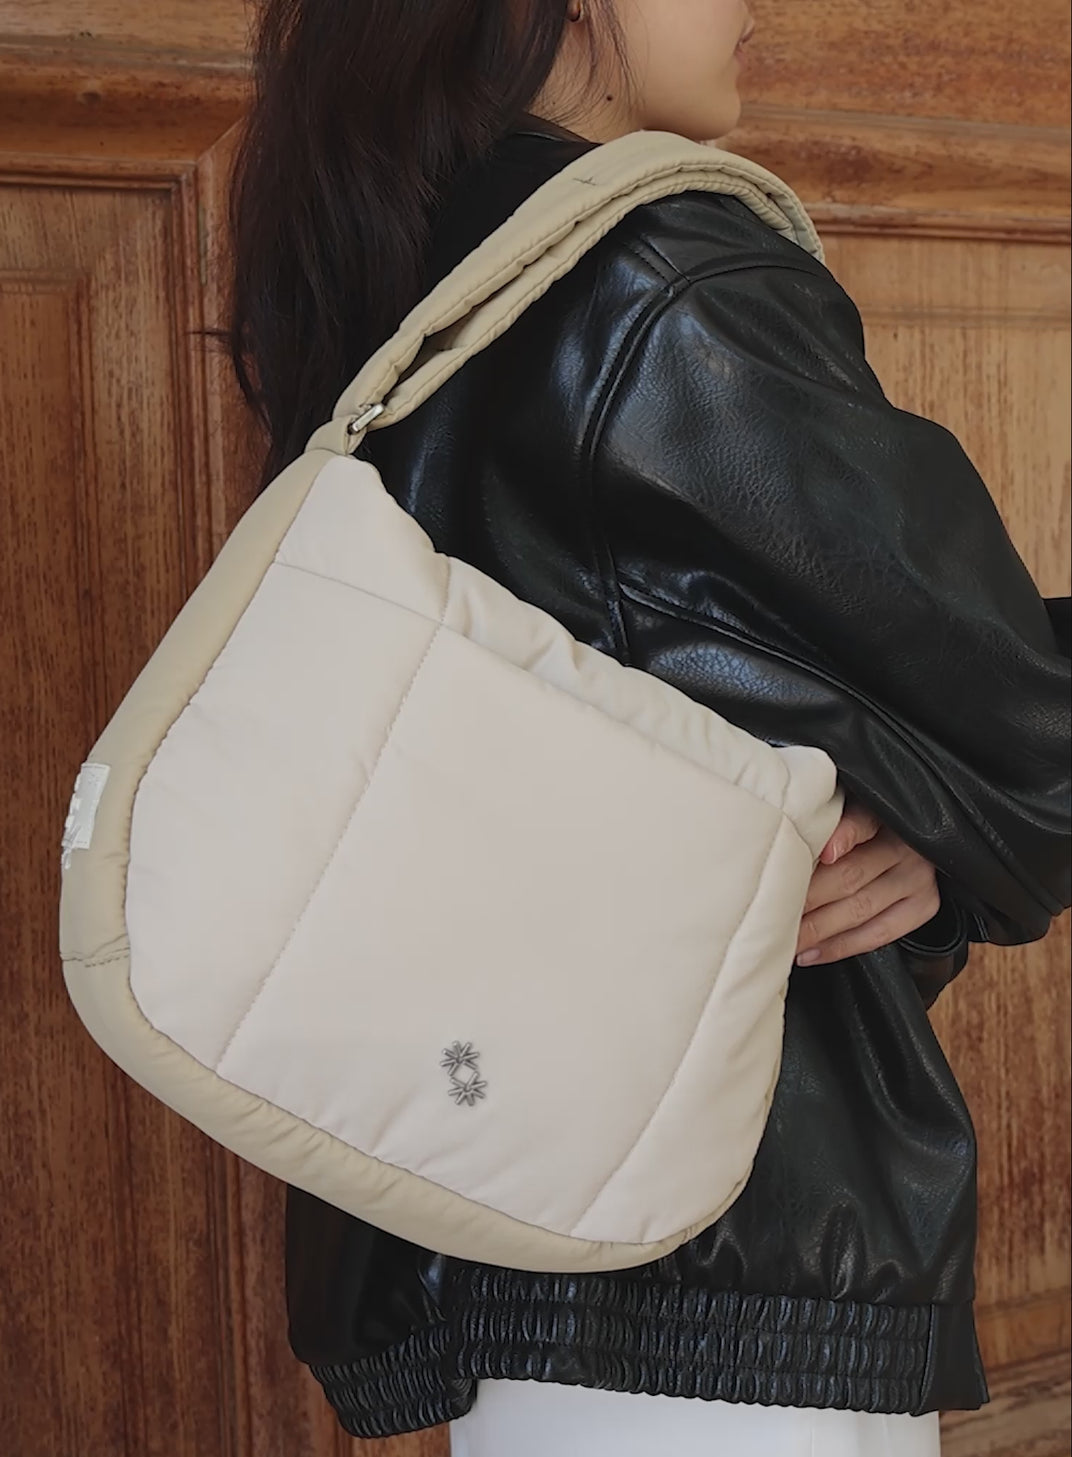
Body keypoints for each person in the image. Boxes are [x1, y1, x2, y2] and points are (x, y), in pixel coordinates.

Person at [224, 1, 1072, 1452]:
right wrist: (955, 798)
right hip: (725, 1256)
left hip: (511, 1205)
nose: (751, 5)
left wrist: (920, 810)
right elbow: (1008, 708)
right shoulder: (656, 282)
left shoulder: (426, 274)